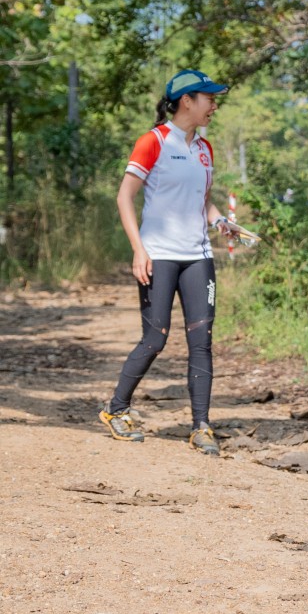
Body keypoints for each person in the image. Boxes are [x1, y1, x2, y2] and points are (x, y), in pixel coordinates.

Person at [99, 69, 233, 457]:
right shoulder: (153, 141)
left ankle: (201, 426)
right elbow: (125, 197)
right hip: (158, 255)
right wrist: (139, 250)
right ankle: (116, 409)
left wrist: (221, 221)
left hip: (198, 257)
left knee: (201, 342)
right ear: (187, 100)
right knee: (155, 338)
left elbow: (202, 200)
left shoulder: (204, 148)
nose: (214, 105)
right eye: (209, 98)